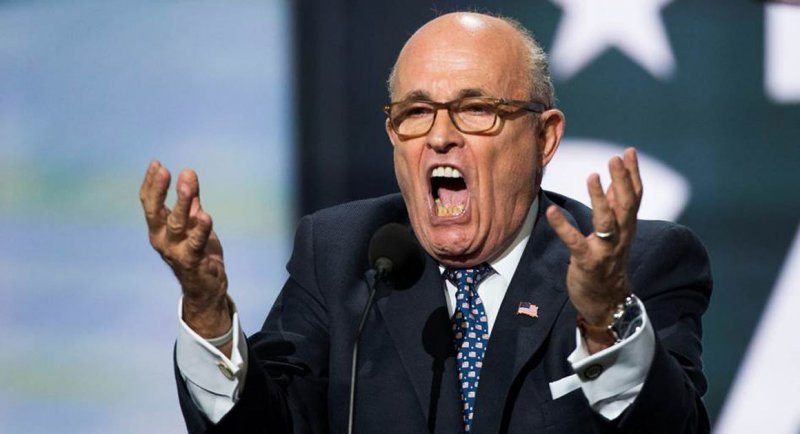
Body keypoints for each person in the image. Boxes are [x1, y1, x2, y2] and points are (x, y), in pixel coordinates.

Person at [140, 12, 711, 434]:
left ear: (544, 137)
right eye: (415, 113)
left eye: (475, 109)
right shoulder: (342, 253)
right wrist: (208, 312)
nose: (440, 136)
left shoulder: (638, 267)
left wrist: (604, 320)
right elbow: (268, 427)